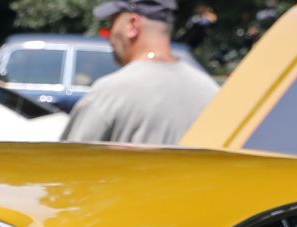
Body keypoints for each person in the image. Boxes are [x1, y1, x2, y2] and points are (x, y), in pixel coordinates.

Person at [61, 0, 219, 147]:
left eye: (113, 23)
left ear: (132, 25)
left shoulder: (110, 93)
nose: (110, 36)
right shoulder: (210, 91)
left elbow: (67, 166)